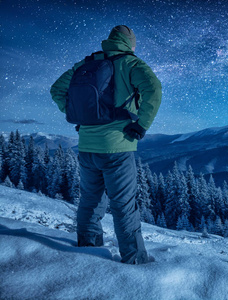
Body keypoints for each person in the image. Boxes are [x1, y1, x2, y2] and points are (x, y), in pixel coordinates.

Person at [50, 25, 162, 264]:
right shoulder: (131, 64)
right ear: (130, 43)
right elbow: (153, 89)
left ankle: (88, 251)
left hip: (87, 147)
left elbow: (57, 90)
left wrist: (81, 116)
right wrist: (141, 124)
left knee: (90, 200)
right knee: (124, 206)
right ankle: (135, 259)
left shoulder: (85, 65)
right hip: (118, 147)